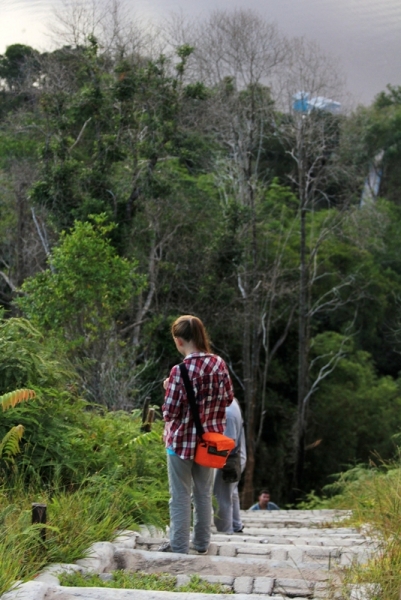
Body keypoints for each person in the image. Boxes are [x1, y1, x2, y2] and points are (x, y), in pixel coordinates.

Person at [160, 315, 235, 554]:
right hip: (209, 443)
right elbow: (228, 398)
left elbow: (169, 412)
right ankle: (202, 544)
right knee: (203, 494)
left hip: (181, 443)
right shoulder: (219, 364)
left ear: (179, 341)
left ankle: (179, 548)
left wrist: (167, 388)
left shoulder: (179, 371)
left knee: (180, 496)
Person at [213, 398, 246, 534]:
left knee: (220, 497)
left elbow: (227, 443)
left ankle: (225, 532)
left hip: (229, 458)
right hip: (238, 455)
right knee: (231, 492)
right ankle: (236, 525)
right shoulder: (232, 402)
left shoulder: (228, 413)